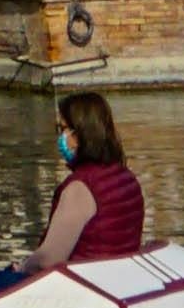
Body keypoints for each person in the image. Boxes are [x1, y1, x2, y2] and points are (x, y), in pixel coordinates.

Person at [19, 84, 148, 274]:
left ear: (81, 133)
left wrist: (21, 267)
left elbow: (48, 260)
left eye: (63, 129)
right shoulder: (126, 177)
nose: (60, 137)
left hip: (82, 282)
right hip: (120, 279)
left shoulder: (80, 188)